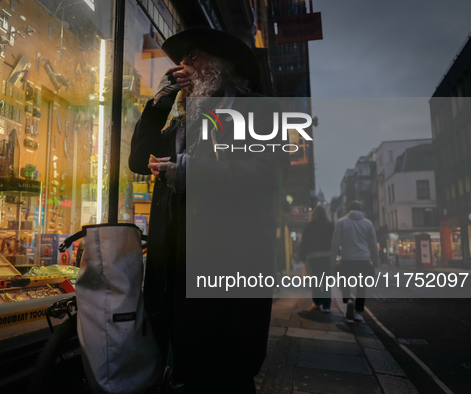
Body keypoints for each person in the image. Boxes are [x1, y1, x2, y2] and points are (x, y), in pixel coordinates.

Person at [129, 27, 286, 393]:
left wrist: (184, 171)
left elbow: (260, 176)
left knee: (223, 376)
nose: (183, 66)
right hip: (174, 282)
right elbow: (140, 159)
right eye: (180, 61)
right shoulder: (183, 122)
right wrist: (162, 99)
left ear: (220, 66)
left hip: (224, 284)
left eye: (193, 56)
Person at [330, 200, 379, 322]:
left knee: (344, 282)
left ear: (349, 209)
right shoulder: (368, 223)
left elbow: (335, 243)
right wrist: (376, 261)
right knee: (361, 286)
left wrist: (332, 260)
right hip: (363, 259)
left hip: (347, 259)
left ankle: (349, 300)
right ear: (361, 209)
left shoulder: (341, 222)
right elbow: (373, 244)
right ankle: (358, 313)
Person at [299, 205, 335, 313]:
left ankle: (317, 302)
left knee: (316, 280)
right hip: (327, 256)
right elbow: (334, 241)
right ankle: (327, 306)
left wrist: (302, 256)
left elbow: (304, 242)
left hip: (313, 257)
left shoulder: (309, 226)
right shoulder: (330, 226)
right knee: (326, 281)